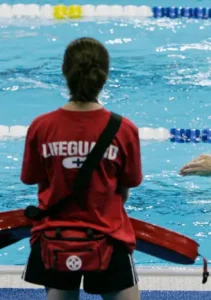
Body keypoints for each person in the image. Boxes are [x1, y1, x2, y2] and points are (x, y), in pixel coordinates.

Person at [20, 37, 143, 300]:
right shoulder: (124, 129)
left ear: (65, 72)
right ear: (105, 75)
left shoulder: (42, 126)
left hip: (54, 237)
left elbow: (33, 180)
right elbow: (126, 188)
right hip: (109, 236)